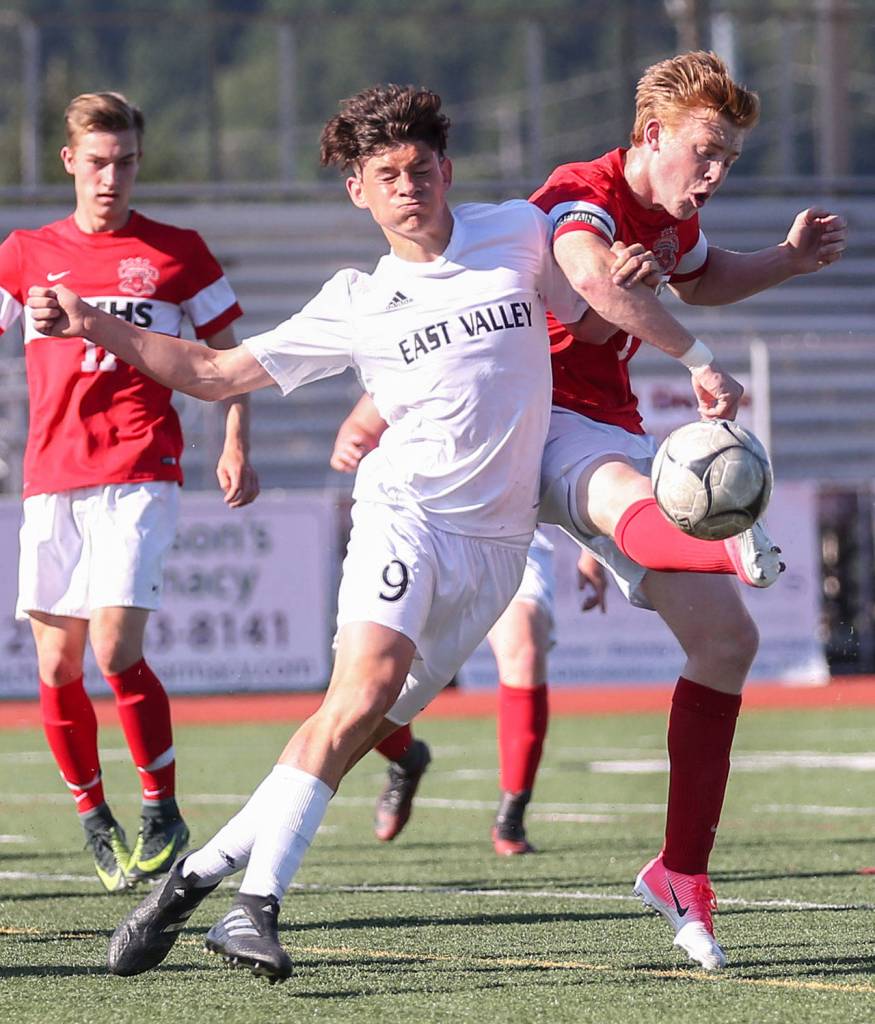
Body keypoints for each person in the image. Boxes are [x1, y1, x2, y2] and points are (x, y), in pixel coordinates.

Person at [29, 83, 594, 982]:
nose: (407, 186)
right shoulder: (354, 300)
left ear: (445, 171)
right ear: (358, 193)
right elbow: (213, 372)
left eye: (419, 169)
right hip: (405, 514)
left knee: (356, 722)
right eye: (385, 175)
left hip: (496, 545)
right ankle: (255, 908)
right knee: (359, 690)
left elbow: (589, 317)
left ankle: (191, 879)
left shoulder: (516, 234)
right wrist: (94, 320)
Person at [528, 51, 848, 969]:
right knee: (388, 679)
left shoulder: (674, 214)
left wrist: (785, 262)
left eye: (726, 161)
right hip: (516, 421)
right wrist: (698, 359)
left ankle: (680, 873)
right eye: (701, 151)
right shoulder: (577, 192)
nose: (710, 174)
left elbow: (697, 276)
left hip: (596, 427)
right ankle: (242, 864)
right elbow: (592, 279)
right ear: (650, 135)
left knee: (727, 644)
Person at [0, 92, 259, 893]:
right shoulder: (25, 253)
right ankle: (92, 817)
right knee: (56, 665)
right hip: (51, 478)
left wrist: (235, 443)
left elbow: (233, 356)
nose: (112, 177)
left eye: (127, 162)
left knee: (114, 649)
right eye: (99, 161)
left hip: (140, 470)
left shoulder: (176, 251)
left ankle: (162, 807)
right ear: (70, 161)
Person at [331, 393, 608, 856]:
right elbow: (391, 377)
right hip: (419, 525)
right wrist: (354, 432)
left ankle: (511, 816)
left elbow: (586, 438)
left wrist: (592, 543)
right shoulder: (437, 327)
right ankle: (406, 758)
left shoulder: (538, 337)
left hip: (511, 529)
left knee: (524, 647)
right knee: (365, 683)